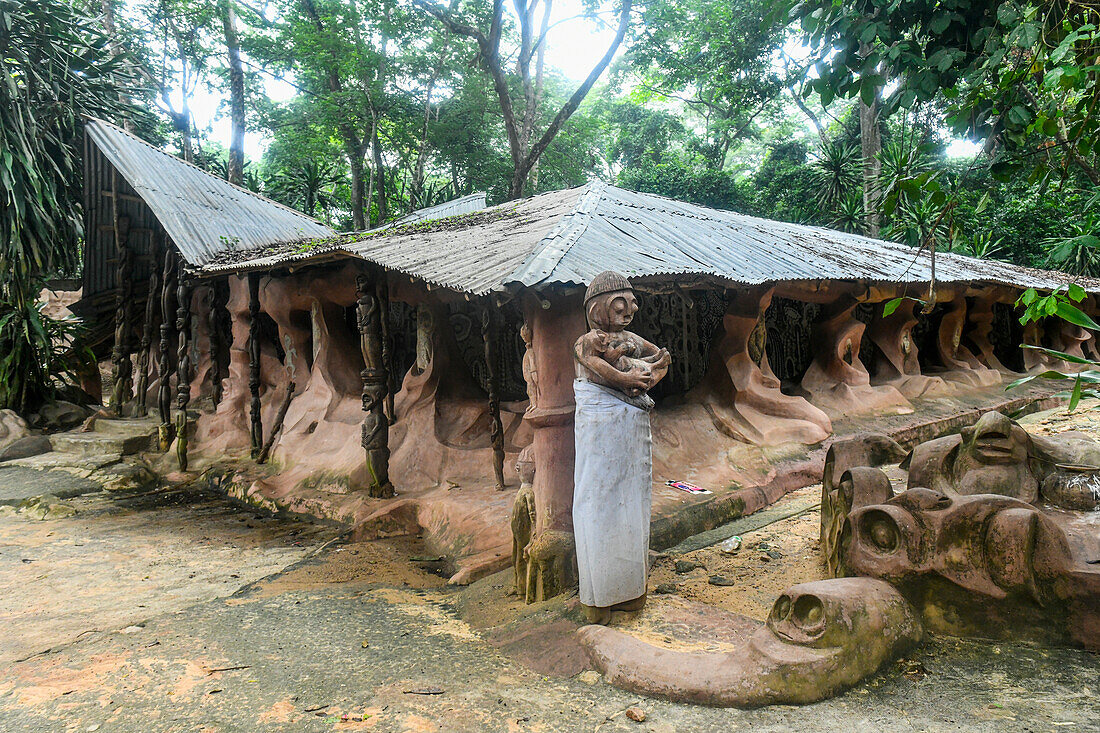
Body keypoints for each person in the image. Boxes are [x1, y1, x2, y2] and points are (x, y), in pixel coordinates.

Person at [572, 271, 670, 624]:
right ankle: (599, 599)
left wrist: (657, 361)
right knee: (599, 501)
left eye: (631, 304)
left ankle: (631, 591)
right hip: (601, 424)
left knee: (632, 503)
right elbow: (598, 367)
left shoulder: (628, 337)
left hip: (631, 427)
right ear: (598, 308)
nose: (628, 310)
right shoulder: (587, 341)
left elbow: (653, 351)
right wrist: (629, 377)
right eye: (619, 304)